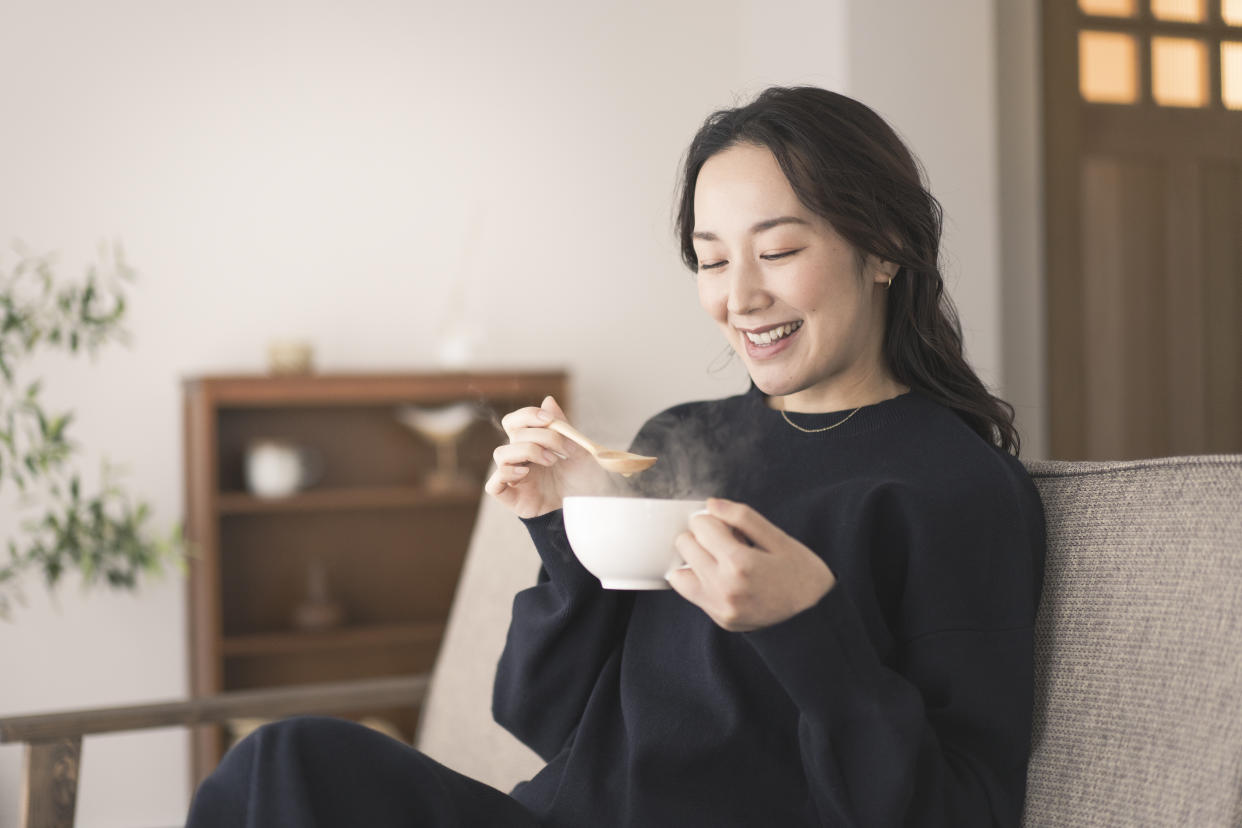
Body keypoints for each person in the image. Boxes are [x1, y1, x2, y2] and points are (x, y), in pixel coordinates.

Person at [185, 86, 1044, 828]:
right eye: (711, 261)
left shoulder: (954, 488)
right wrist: (569, 530)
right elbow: (542, 718)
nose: (739, 298)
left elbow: (960, 808)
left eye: (779, 251)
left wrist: (809, 626)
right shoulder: (679, 442)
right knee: (285, 764)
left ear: (884, 245)